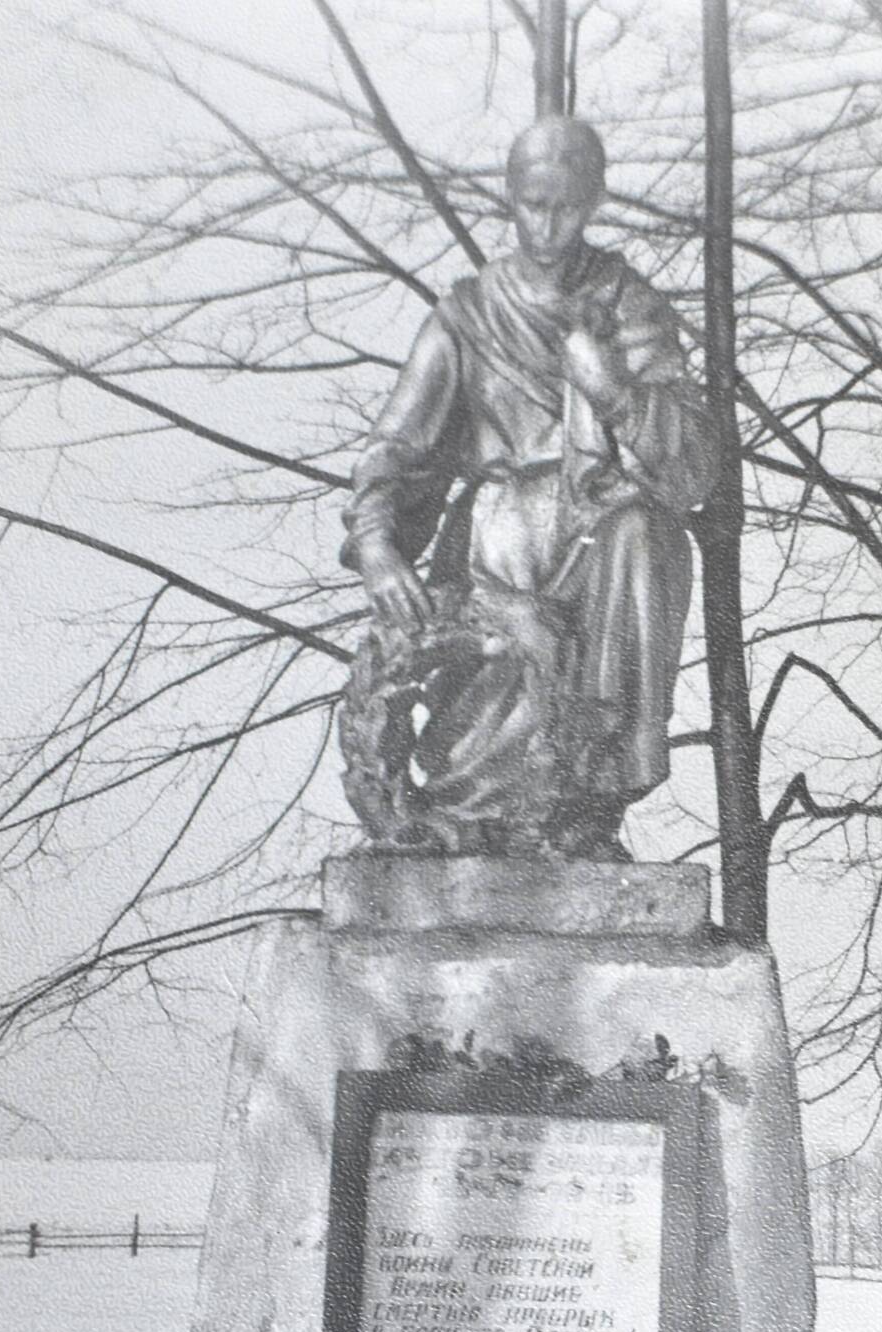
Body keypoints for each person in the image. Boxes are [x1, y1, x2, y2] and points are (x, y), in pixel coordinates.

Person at [340, 116, 717, 855]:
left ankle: (594, 784)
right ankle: (475, 806)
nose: (548, 225)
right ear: (510, 199)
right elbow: (397, 444)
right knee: (474, 760)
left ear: (594, 201)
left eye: (568, 206)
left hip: (601, 538)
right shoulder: (469, 315)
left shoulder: (626, 305)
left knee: (646, 535)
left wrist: (613, 391)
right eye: (533, 204)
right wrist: (379, 544)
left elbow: (696, 464)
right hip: (500, 546)